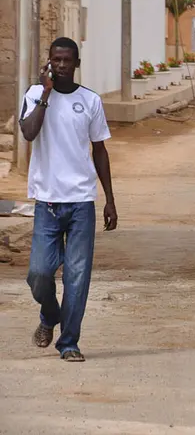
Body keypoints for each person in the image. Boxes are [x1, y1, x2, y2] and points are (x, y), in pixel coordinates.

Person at [19, 37, 118, 363]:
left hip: (81, 203)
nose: (61, 65)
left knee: (77, 276)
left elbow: (99, 151)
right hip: (47, 202)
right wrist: (45, 93)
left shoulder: (89, 100)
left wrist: (109, 199)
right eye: (56, 59)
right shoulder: (33, 95)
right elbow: (29, 133)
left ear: (76, 64)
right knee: (39, 274)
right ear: (48, 61)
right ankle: (50, 314)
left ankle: (69, 342)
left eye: (67, 60)